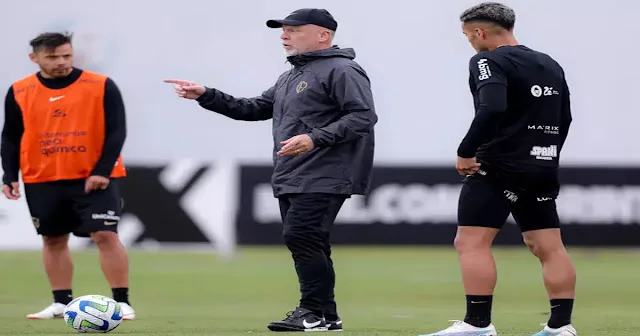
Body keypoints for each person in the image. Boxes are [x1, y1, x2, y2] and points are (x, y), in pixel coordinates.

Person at [165, 8, 377, 332]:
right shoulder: (290, 76)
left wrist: (313, 138)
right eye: (283, 30)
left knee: (301, 236)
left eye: (293, 29)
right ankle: (326, 315)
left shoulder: (343, 69)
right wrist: (207, 95)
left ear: (323, 35)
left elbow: (362, 117)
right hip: (294, 172)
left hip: (327, 171)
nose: (284, 35)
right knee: (311, 240)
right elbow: (252, 108)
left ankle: (312, 312)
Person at [419, 3, 577, 336]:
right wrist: (546, 155)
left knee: (471, 242)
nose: (469, 42)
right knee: (548, 246)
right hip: (542, 164)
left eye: (467, 35)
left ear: (479, 32)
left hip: (498, 165)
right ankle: (561, 327)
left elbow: (492, 107)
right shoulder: (549, 63)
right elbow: (565, 118)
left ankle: (478, 325)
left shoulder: (487, 60)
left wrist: (466, 151)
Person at [1, 32, 136, 320]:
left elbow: (117, 131)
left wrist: (102, 171)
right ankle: (61, 302)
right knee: (52, 239)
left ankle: (122, 302)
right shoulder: (19, 90)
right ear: (34, 58)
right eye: (52, 57)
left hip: (95, 177)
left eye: (66, 55)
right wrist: (9, 174)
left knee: (104, 234)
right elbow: (11, 136)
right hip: (42, 176)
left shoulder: (101, 85)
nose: (62, 62)